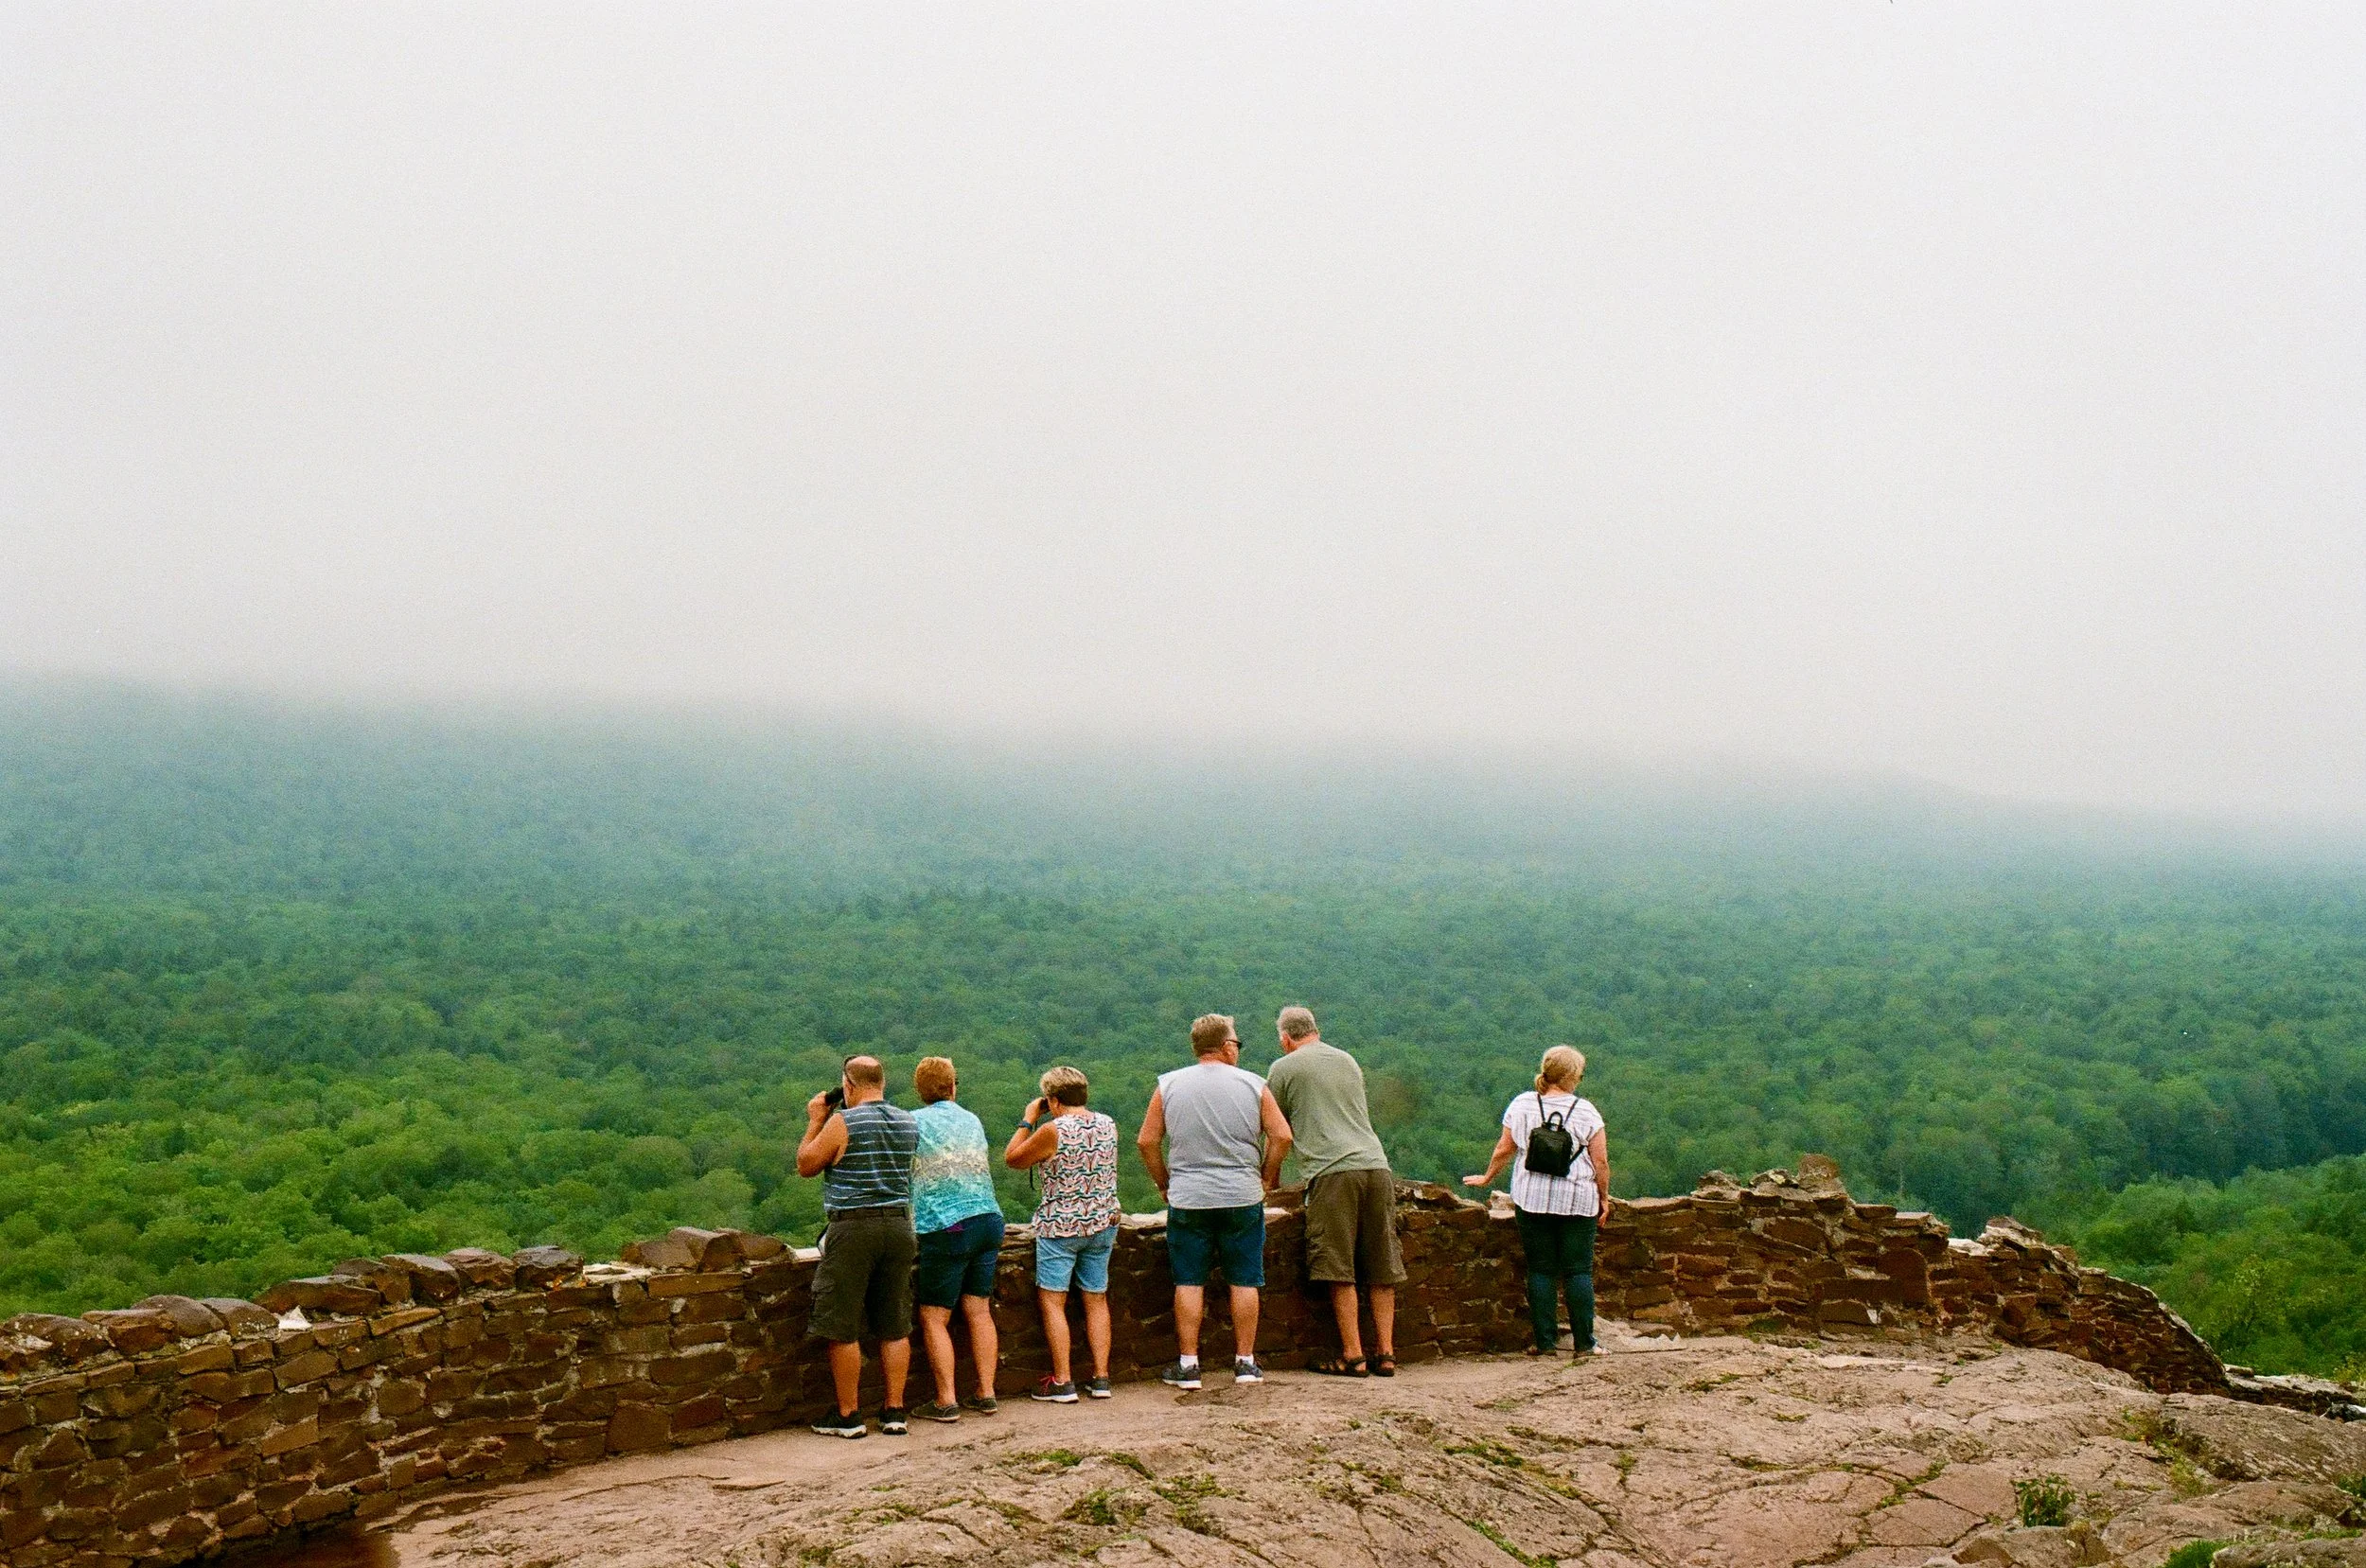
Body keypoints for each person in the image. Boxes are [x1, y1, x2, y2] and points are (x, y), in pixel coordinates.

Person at [1136, 1013, 1293, 1390]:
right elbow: (1282, 1136)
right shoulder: (1254, 1085)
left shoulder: (1168, 1084)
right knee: (1244, 1279)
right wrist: (1267, 1176)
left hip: (1189, 1197)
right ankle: (1245, 1362)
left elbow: (1146, 1141)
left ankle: (1188, 1366)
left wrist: (1165, 1182)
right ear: (1224, 1047)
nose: (1237, 1049)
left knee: (1188, 1280)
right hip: (1241, 1194)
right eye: (1236, 1043)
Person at [1265, 1005, 1404, 1378]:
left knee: (1337, 1264)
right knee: (1380, 1265)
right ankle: (1386, 1354)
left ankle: (1354, 1356)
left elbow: (1276, 1127)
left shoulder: (1283, 1068)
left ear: (1285, 1038)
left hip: (1331, 1172)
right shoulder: (1347, 1060)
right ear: (1316, 1030)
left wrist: (1269, 1176)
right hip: (1376, 1166)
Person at [797, 1054, 920, 1437]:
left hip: (854, 1227)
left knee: (842, 1324)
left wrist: (816, 1119)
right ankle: (894, 1410)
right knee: (895, 1322)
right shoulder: (908, 1121)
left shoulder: (843, 1120)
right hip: (900, 1226)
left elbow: (807, 1164)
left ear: (847, 1085)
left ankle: (849, 1415)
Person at [1462, 1045, 1611, 1357]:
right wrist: (1604, 1199)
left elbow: (1504, 1149)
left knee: (1541, 1270)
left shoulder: (1523, 1105)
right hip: (1577, 1201)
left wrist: (1488, 1177)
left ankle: (1545, 1343)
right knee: (1578, 1272)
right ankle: (1585, 1343)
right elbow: (1600, 1162)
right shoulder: (1586, 1112)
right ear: (1571, 1077)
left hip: (1532, 1199)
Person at [1004, 1065, 1121, 1402]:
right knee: (1096, 1299)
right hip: (1102, 1223)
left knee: (1053, 1302)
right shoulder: (1107, 1124)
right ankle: (1101, 1378)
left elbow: (1012, 1159)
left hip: (1061, 1227)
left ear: (1052, 1100)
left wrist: (1029, 1119)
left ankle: (1063, 1381)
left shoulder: (1054, 1130)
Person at [905, 1055, 1004, 1423]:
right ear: (953, 1085)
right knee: (978, 1310)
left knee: (934, 1316)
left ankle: (946, 1400)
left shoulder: (914, 1122)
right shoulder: (972, 1119)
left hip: (947, 1225)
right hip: (988, 1219)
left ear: (920, 1090)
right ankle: (986, 1393)